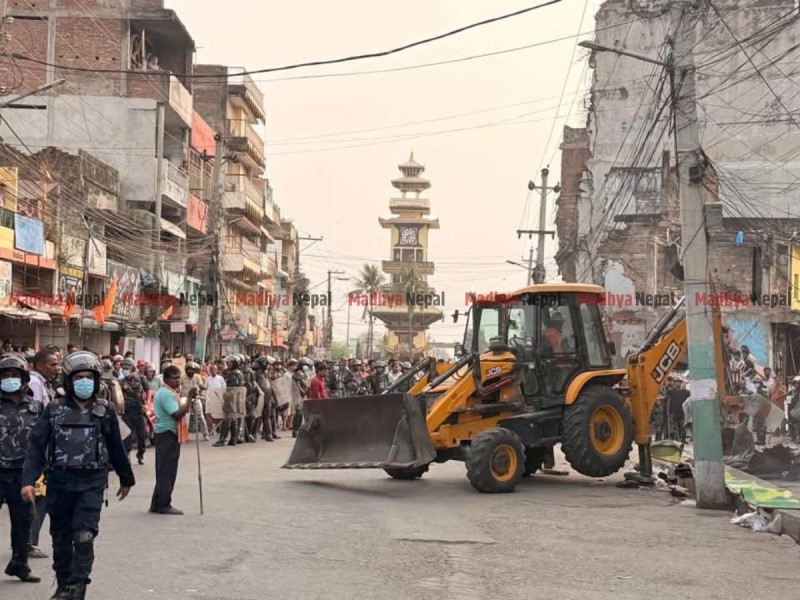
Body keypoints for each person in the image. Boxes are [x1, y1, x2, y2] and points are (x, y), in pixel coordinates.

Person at [22, 351, 134, 600]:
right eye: (78, 377)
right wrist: (28, 481)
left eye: (89, 377)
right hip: (59, 482)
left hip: (91, 483)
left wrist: (126, 478)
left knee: (84, 536)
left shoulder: (105, 410)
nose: (84, 382)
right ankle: (64, 583)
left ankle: (79, 585)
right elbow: (37, 447)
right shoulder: (54, 410)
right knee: (61, 537)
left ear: (97, 380)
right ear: (69, 380)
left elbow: (116, 446)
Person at [0, 353, 43, 584]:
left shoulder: (36, 407)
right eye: (5, 375)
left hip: (23, 475)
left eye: (14, 375)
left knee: (23, 522)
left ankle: (20, 565)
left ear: (24, 378)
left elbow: (44, 440)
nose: (9, 379)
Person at [149, 365, 193, 515]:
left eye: (178, 377)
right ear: (166, 379)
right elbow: (177, 414)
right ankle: (164, 504)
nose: (177, 381)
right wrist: (189, 399)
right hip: (167, 434)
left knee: (164, 470)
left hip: (166, 433)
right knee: (167, 471)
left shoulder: (169, 392)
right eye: (174, 378)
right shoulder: (166, 394)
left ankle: (157, 503)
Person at [120, 358, 147, 465]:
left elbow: (148, 391)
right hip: (127, 411)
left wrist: (146, 404)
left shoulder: (140, 379)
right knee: (127, 436)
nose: (125, 370)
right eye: (123, 368)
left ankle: (140, 454)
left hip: (139, 411)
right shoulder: (121, 382)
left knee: (142, 436)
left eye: (127, 368)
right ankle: (127, 454)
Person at [214, 356, 244, 447]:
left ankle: (222, 439)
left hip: (231, 398)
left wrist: (225, 396)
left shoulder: (233, 374)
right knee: (233, 418)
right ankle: (233, 438)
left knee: (226, 419)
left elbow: (231, 388)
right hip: (237, 399)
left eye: (230, 363)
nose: (228, 364)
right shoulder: (239, 373)